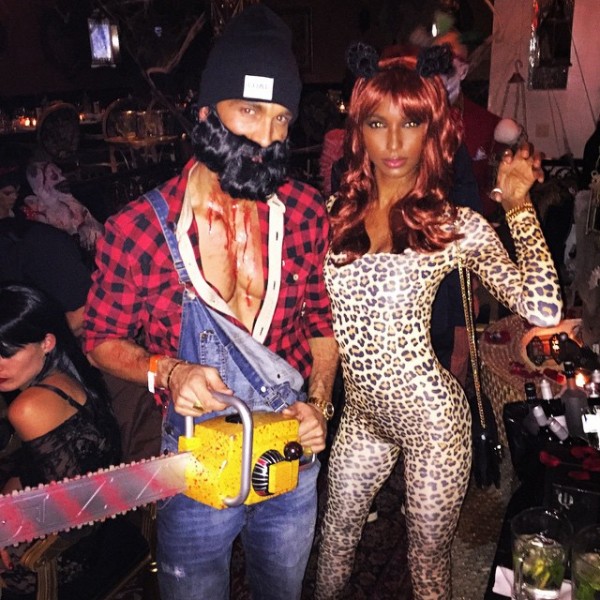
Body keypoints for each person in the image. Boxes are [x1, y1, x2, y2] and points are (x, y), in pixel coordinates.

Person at [82, 5, 337, 600]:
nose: (266, 137)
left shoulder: (306, 213)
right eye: (248, 110)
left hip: (289, 448)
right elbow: (99, 342)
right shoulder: (137, 230)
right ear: (205, 113)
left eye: (280, 118)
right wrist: (168, 371)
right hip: (196, 458)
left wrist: (321, 404)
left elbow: (321, 323)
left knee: (282, 590)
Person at [314, 45, 562, 599]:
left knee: (427, 561)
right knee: (334, 540)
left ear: (432, 130)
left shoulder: (452, 224)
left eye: (410, 123)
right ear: (358, 130)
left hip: (433, 423)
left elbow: (543, 309)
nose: (394, 142)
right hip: (362, 417)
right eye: (378, 123)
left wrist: (519, 207)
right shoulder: (334, 215)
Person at [0, 283, 122, 596]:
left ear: (46, 342)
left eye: (7, 353)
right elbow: (36, 470)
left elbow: (72, 512)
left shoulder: (28, 408)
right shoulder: (71, 372)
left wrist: (6, 526)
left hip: (66, 551)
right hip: (103, 515)